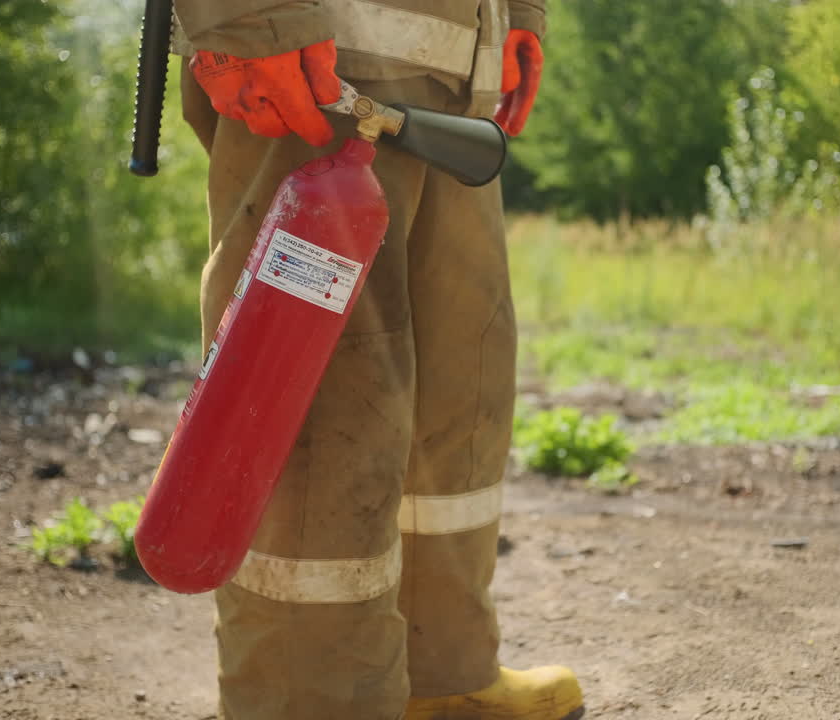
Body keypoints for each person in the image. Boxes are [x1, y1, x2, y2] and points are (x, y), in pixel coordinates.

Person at [169, 1, 583, 718]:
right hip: (309, 53)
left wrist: (518, 11)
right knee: (315, 396)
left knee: (460, 375)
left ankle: (440, 673)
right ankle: (311, 701)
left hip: (456, 78)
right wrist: (250, 15)